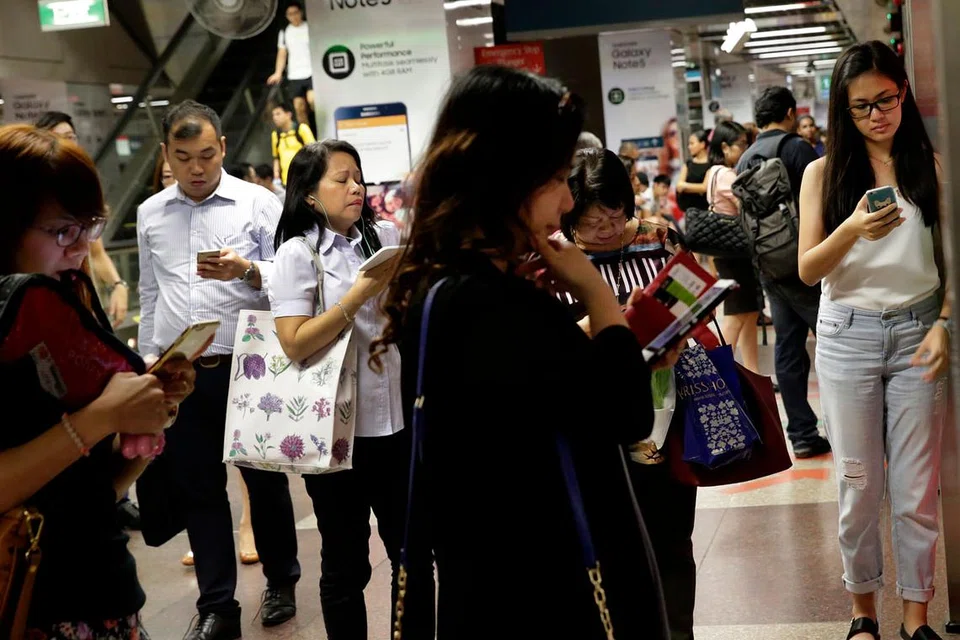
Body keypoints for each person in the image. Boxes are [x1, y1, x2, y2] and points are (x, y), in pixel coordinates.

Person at [372, 65, 670, 640]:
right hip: (548, 587)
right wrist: (597, 295)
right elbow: (628, 415)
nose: (566, 199)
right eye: (556, 178)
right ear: (508, 179)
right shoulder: (495, 301)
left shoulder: (437, 287)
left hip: (488, 581)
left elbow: (528, 397)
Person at [0, 124, 195, 640]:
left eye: (89, 227)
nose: (82, 249)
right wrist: (102, 417)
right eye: (63, 231)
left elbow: (92, 491)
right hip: (28, 604)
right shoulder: (21, 312)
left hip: (106, 593)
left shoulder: (67, 301)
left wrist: (148, 414)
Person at [799, 41, 950, 640]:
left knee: (915, 491)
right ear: (843, 109)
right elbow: (809, 268)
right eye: (861, 106)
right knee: (858, 488)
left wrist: (944, 321)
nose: (876, 115)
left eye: (885, 100)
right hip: (847, 336)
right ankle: (863, 613)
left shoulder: (929, 166)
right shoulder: (822, 171)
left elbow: (951, 264)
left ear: (904, 93)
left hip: (918, 332)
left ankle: (916, 618)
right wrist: (854, 227)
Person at [136, 100, 295, 640]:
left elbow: (292, 278)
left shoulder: (258, 203)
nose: (196, 168)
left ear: (223, 147)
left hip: (247, 367)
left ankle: (281, 582)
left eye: (206, 154)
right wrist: (147, 365)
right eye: (183, 157)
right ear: (166, 155)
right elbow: (150, 292)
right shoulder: (151, 212)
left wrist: (247, 270)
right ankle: (218, 604)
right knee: (198, 488)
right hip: (180, 371)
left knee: (263, 481)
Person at [269, 139, 435, 640]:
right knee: (345, 563)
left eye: (358, 178)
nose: (355, 187)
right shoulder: (297, 255)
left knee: (414, 555)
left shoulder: (383, 237)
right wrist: (361, 292)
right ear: (311, 196)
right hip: (334, 433)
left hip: (398, 424)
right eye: (340, 179)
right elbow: (294, 342)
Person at [561, 147, 697, 640]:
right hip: (592, 423)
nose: (604, 230)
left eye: (614, 216)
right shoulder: (552, 259)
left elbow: (689, 297)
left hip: (665, 410)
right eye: (590, 220)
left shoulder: (659, 240)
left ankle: (677, 632)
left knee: (672, 540)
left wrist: (680, 328)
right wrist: (607, 321)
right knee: (603, 543)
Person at [736, 86, 831, 459]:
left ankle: (803, 433)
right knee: (835, 343)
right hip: (808, 261)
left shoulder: (744, 159)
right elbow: (821, 205)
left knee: (788, 349)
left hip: (770, 268)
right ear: (790, 112)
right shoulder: (796, 149)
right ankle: (847, 425)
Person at [35, 111, 129, 328]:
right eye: (56, 138)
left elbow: (96, 252)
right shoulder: (35, 195)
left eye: (71, 137)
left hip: (78, 298)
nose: (67, 144)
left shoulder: (82, 189)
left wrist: (118, 285)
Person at [705, 121, 761, 373]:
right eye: (741, 143)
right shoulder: (726, 174)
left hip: (729, 252)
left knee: (748, 313)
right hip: (735, 253)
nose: (745, 147)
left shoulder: (714, 172)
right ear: (725, 146)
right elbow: (747, 206)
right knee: (737, 314)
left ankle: (752, 372)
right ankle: (719, 371)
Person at [267, 1, 314, 131]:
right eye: (290, 14)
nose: (294, 16)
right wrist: (278, 72)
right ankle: (309, 139)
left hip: (312, 72)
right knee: (299, 107)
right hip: (294, 74)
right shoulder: (284, 32)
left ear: (301, 12)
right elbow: (282, 53)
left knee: (312, 100)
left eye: (296, 13)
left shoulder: (310, 27)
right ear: (287, 16)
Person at [271, 102, 316, 186]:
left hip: (304, 177)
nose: (275, 118)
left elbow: (314, 152)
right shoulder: (275, 135)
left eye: (278, 114)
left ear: (288, 114)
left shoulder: (302, 129)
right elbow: (276, 157)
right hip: (287, 181)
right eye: (273, 115)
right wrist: (276, 175)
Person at [675, 129, 710, 213]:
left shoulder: (711, 164)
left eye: (692, 143)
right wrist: (696, 188)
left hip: (705, 210)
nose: (689, 147)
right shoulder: (688, 164)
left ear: (702, 144)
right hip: (689, 211)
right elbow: (679, 186)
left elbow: (704, 187)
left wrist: (685, 187)